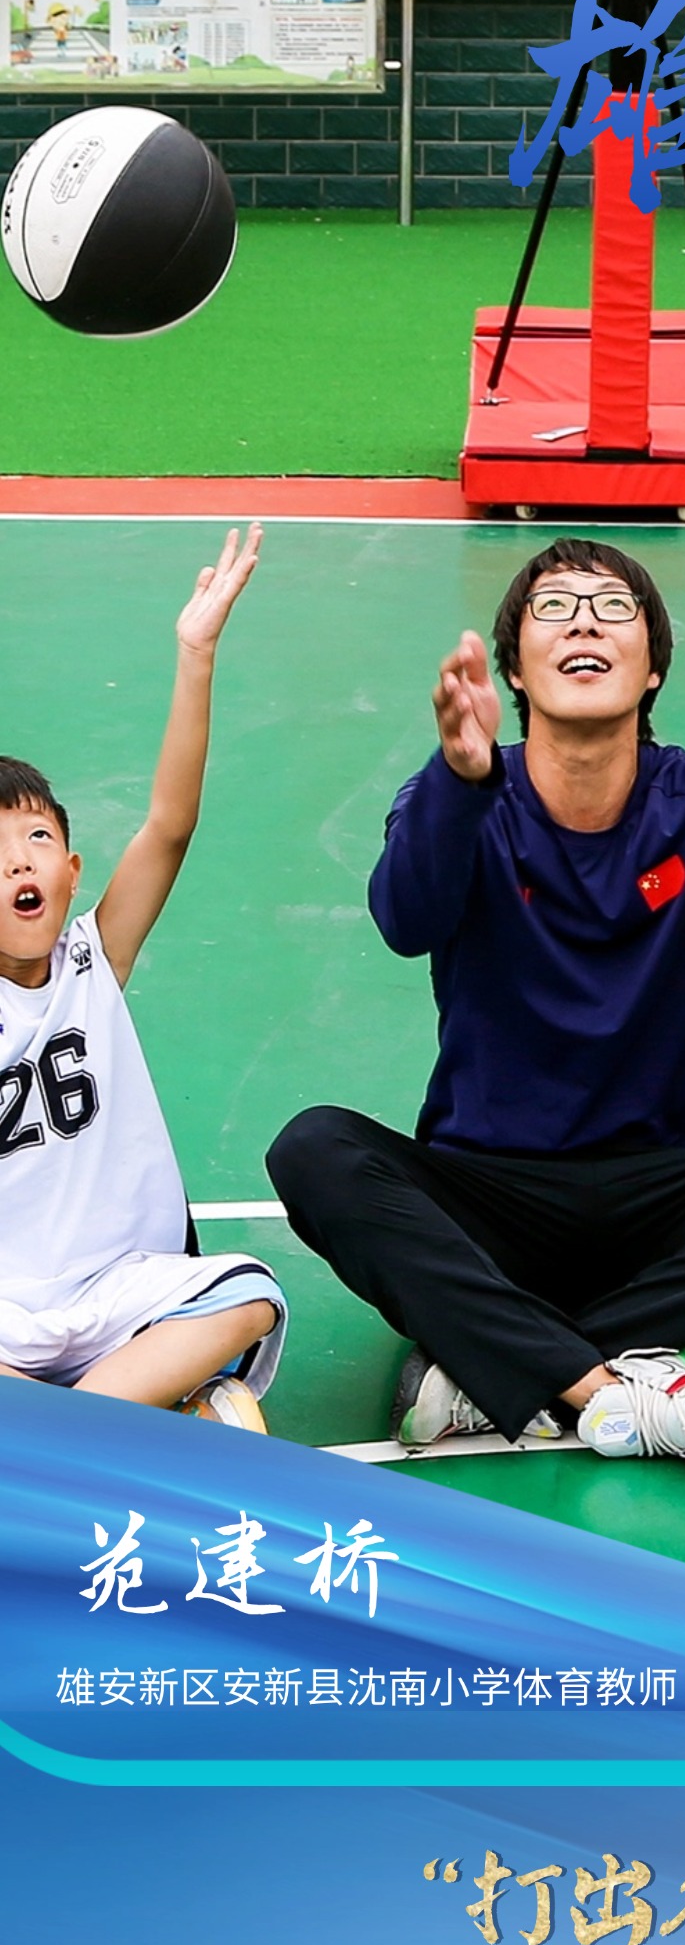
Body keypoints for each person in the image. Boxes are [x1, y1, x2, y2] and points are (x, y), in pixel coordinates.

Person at [267, 536, 685, 1472]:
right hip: (493, 1198)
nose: (583, 624)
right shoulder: (457, 794)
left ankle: (496, 1366)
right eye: (555, 609)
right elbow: (405, 919)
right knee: (313, 1149)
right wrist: (459, 781)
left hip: (672, 1199)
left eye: (613, 609)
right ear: (514, 668)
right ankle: (632, 1381)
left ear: (653, 669)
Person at [0, 525, 285, 1428]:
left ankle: (62, 1428)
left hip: (125, 1288)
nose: (19, 861)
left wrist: (195, 653)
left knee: (251, 1296)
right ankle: (149, 1416)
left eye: (36, 837)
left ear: (72, 870)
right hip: (9, 1309)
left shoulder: (93, 955)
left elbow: (168, 821)